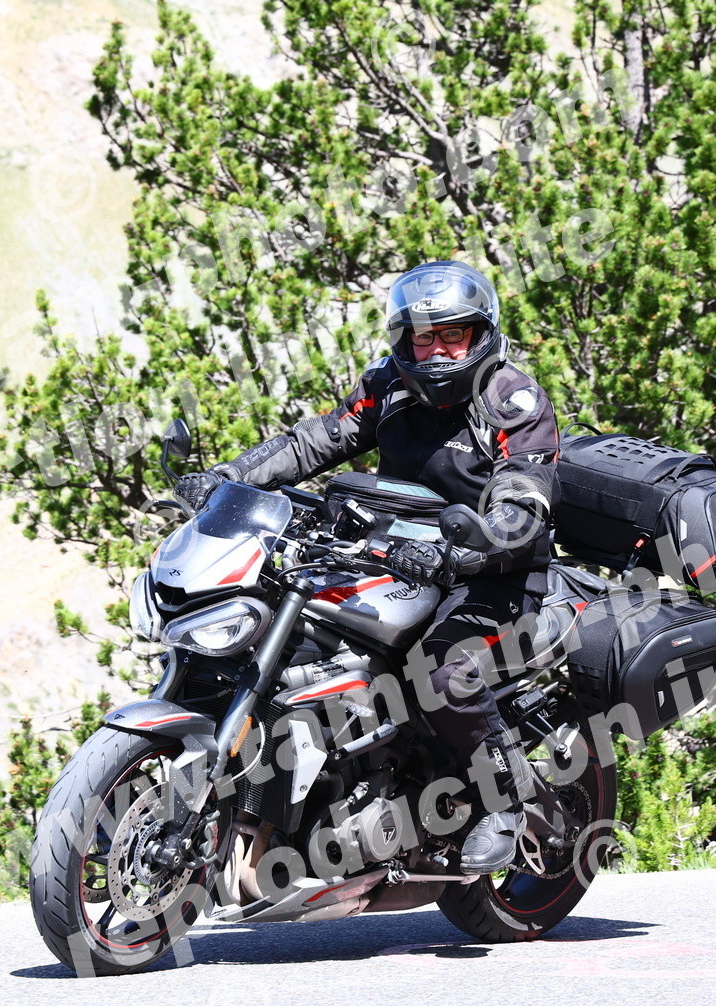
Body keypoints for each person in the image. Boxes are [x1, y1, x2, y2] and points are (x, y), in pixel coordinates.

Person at [175, 260, 559, 873]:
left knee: (442, 673)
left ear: (481, 334)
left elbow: (524, 498)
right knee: (294, 633)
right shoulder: (388, 384)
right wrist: (229, 477)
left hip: (494, 573)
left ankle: (504, 800)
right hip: (395, 555)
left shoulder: (511, 400)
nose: (435, 349)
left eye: (451, 334)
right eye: (422, 337)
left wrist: (474, 543)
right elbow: (315, 441)